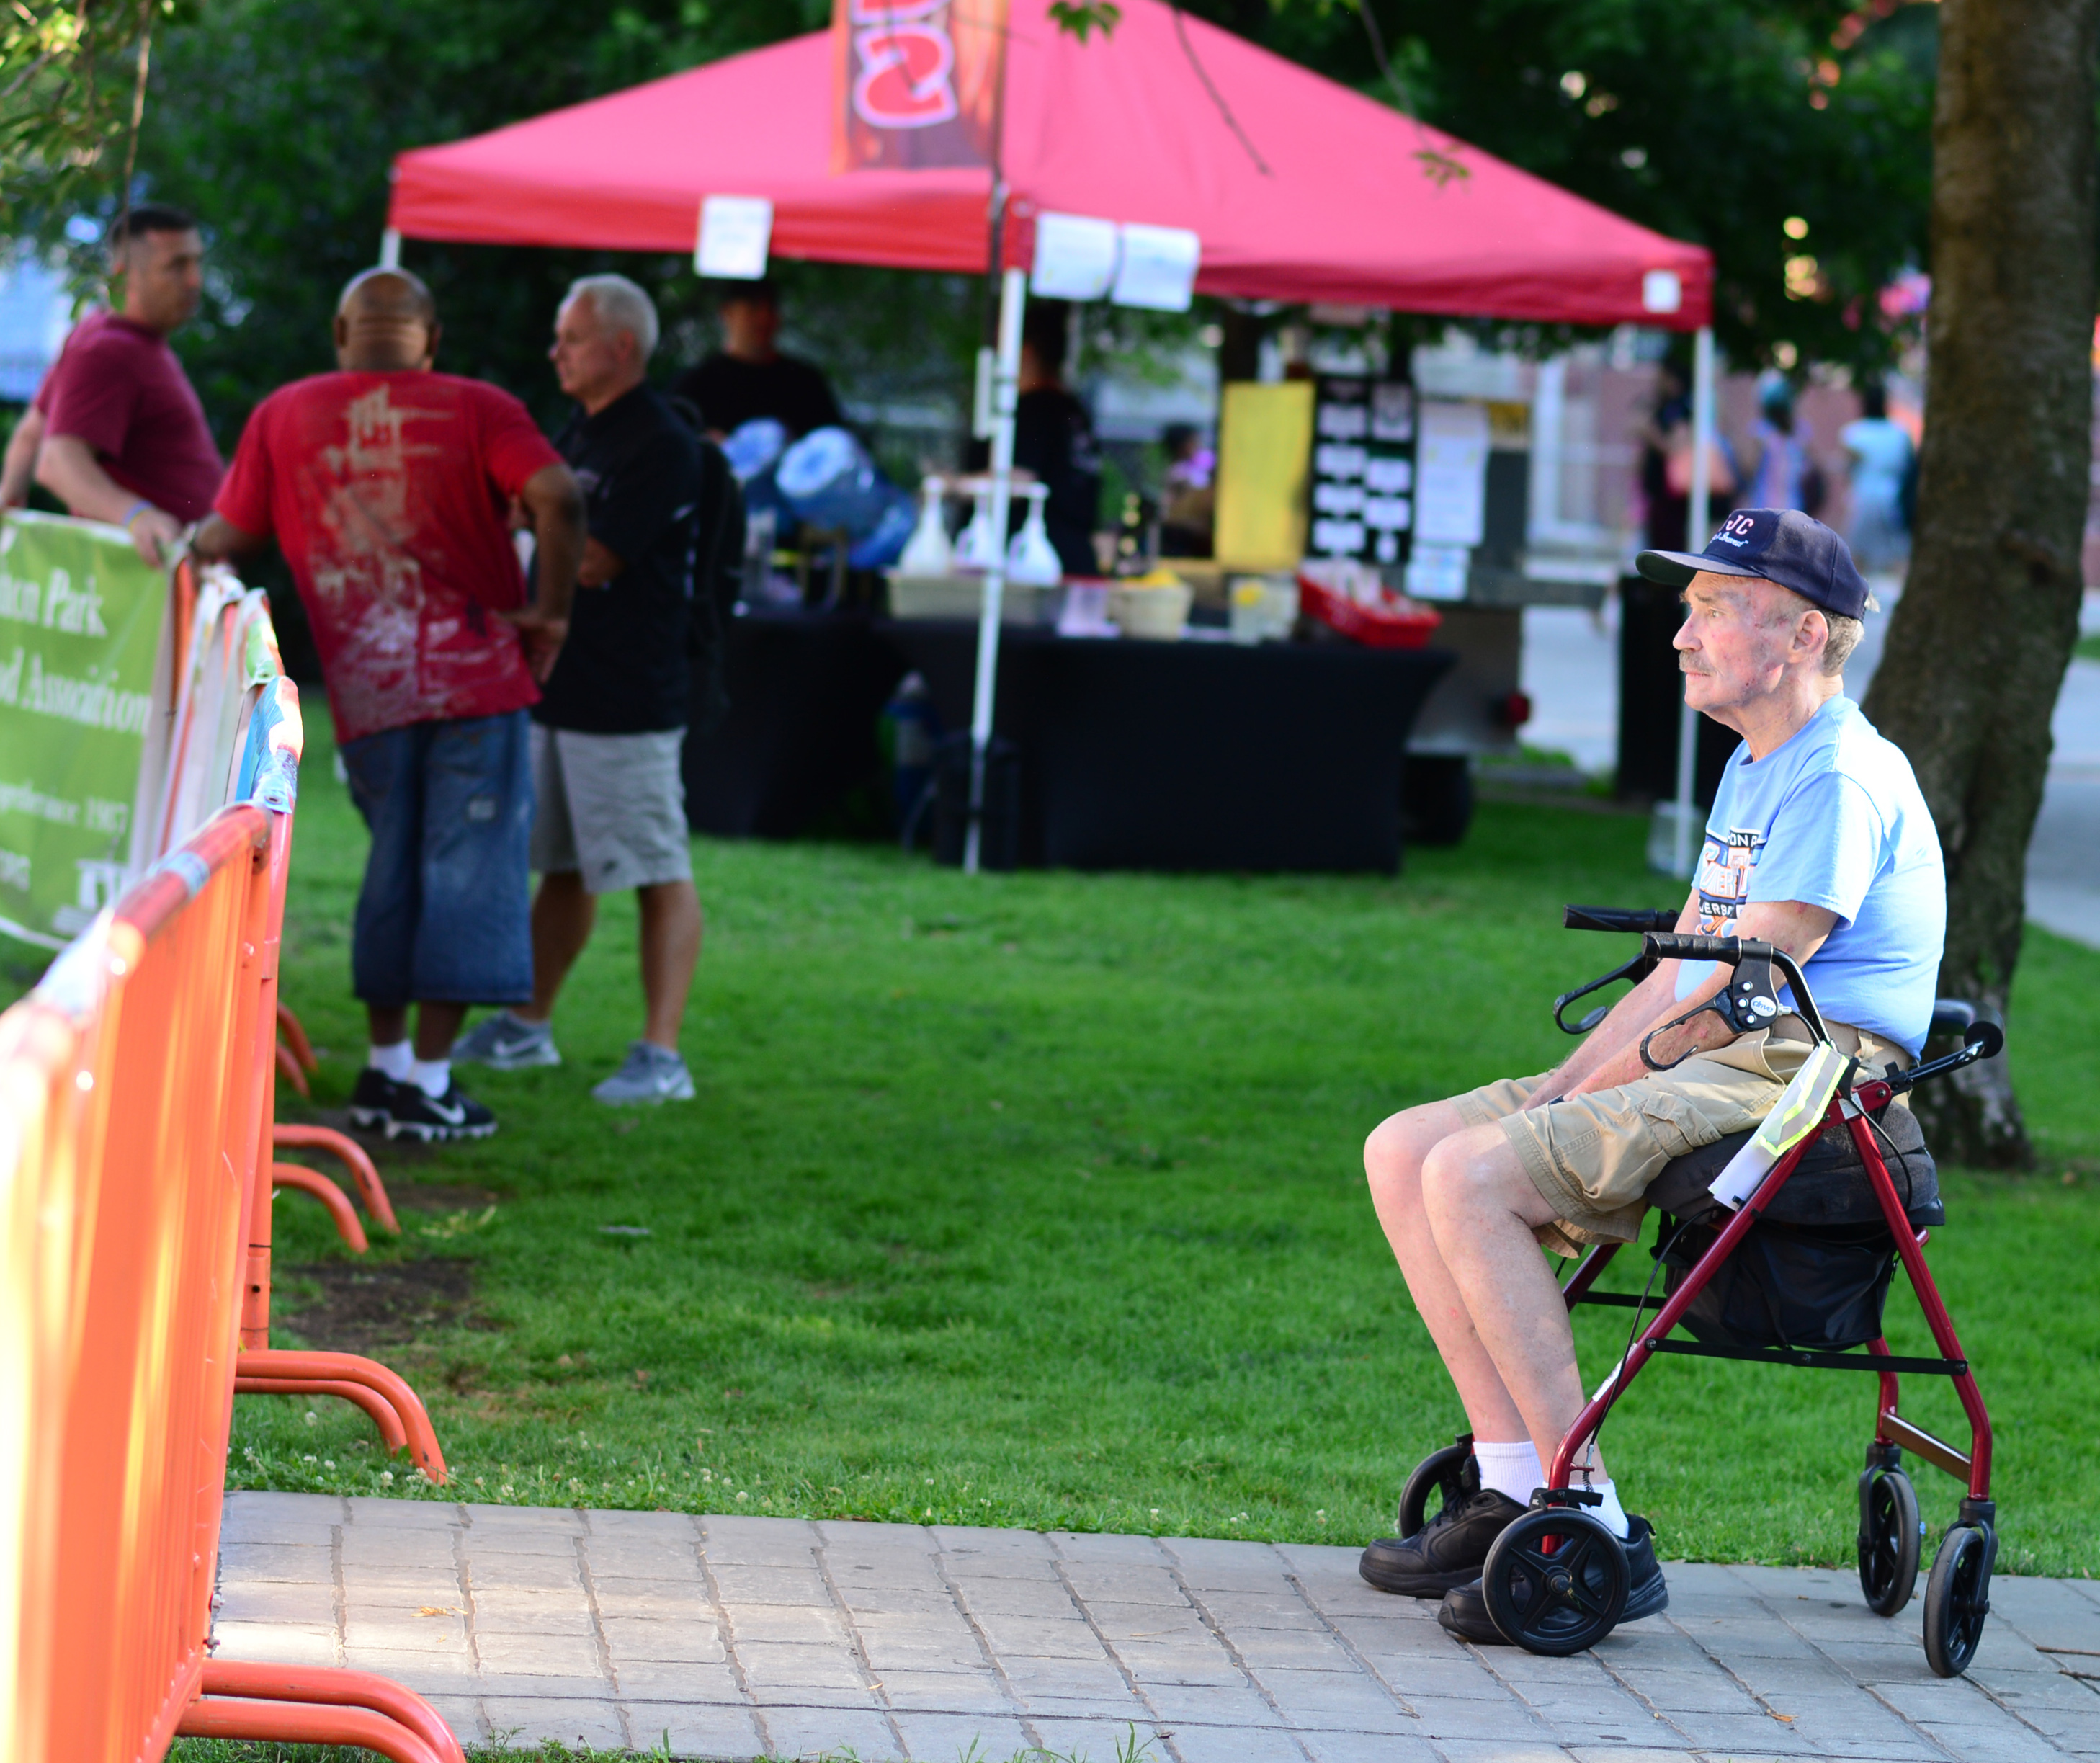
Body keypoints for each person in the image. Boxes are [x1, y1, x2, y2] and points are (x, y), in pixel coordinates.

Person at [1357, 507, 1942, 1644]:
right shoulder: (1754, 764)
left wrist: (1567, 1105)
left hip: (1807, 1064)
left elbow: (1745, 995)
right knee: (1405, 1148)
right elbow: (1680, 974)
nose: (1680, 633)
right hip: (1734, 1044)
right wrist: (1559, 1088)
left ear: (1803, 634)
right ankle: (1511, 1483)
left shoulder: (1837, 776)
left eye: (1713, 607)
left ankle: (1591, 1521)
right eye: (1689, 607)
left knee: (1472, 1176)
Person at [192, 268, 586, 1142]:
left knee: (393, 866)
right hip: (475, 681)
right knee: (467, 871)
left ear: (341, 333)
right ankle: (430, 1083)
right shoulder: (479, 407)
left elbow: (227, 534)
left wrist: (176, 539)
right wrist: (553, 612)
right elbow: (559, 494)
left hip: (367, 691)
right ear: (432, 339)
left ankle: (385, 1068)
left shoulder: (284, 412)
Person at [454, 275, 716, 1105]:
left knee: (655, 867)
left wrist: (527, 520)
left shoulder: (661, 443)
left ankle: (661, 1056)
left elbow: (595, 559)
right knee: (561, 867)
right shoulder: (580, 429)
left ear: (620, 347)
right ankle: (526, 1025)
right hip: (560, 686)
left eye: (571, 338)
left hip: (627, 697)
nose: (555, 352)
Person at [18, 205, 223, 561]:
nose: (195, 280)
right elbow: (57, 461)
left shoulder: (106, 335)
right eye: (177, 266)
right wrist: (136, 516)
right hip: (145, 576)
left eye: (196, 263)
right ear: (124, 276)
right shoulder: (108, 350)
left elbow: (33, 431)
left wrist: (9, 494)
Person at [671, 280, 841, 441]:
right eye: (753, 307)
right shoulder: (697, 383)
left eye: (771, 308)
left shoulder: (804, 382)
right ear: (727, 312)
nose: (764, 318)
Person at [1010, 300, 1102, 579]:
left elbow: (1019, 480)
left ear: (1025, 351)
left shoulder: (1036, 408)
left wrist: (954, 485)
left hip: (1039, 562)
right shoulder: (1073, 410)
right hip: (1077, 556)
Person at [1637, 360, 1737, 552]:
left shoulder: (1682, 408)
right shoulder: (1671, 406)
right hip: (1665, 494)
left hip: (1674, 496)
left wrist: (1649, 432)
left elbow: (1675, 447)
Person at [1841, 384, 1914, 573]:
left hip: (1862, 498)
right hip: (1893, 498)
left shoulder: (1854, 433)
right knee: (1896, 559)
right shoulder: (1900, 433)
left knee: (1858, 560)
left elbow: (1848, 470)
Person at [1740, 377, 1809, 514]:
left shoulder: (1761, 431)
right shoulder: (1799, 431)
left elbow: (1749, 468)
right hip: (1793, 504)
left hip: (1764, 503)